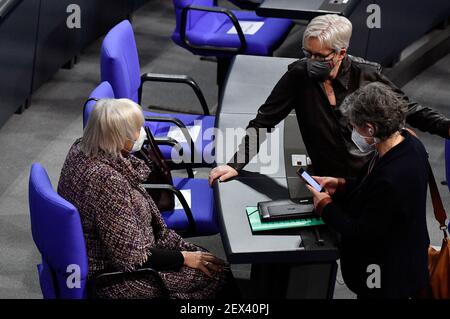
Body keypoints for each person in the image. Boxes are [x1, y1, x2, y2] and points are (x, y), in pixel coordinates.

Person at [208, 14, 450, 185]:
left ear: (341, 53)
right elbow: (263, 122)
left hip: (368, 176)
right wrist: (235, 164)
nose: (312, 60)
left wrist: (445, 127)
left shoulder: (365, 73)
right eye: (308, 54)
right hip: (326, 177)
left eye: (320, 56)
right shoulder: (299, 75)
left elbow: (407, 108)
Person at [58, 98, 235, 299]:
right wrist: (183, 257)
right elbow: (131, 257)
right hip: (118, 278)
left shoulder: (82, 148)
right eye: (137, 128)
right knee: (218, 276)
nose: (141, 132)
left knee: (206, 261)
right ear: (119, 137)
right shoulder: (106, 181)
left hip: (126, 253)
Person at [306, 82, 430, 299]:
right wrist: (341, 183)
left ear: (370, 128)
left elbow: (360, 232)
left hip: (384, 275)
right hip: (403, 260)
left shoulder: (392, 177)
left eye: (355, 126)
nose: (354, 132)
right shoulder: (408, 143)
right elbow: (374, 191)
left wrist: (325, 206)